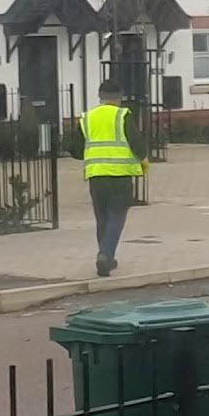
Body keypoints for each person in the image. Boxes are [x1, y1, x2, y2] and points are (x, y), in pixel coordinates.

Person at [71, 79, 148, 277]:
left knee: (102, 217)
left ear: (100, 96)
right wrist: (143, 159)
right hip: (120, 176)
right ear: (120, 97)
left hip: (96, 175)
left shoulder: (87, 117)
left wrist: (90, 154)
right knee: (116, 216)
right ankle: (105, 255)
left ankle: (106, 256)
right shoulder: (122, 115)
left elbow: (73, 147)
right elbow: (137, 142)